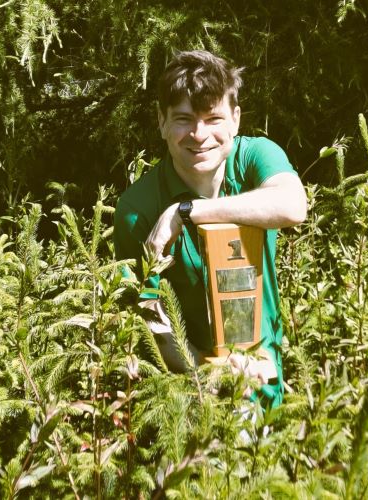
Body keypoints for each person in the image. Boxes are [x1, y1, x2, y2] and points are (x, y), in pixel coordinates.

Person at [114, 50, 306, 407]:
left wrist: (187, 212)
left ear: (235, 119)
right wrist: (208, 373)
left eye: (212, 118)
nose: (199, 134)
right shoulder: (136, 210)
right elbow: (147, 315)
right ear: (161, 122)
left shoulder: (255, 158)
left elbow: (293, 205)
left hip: (264, 376)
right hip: (185, 393)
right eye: (184, 119)